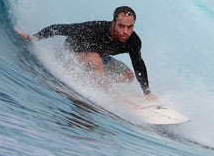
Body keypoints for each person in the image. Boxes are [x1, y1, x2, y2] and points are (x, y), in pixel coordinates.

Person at [16, 6, 159, 102]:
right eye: (121, 26)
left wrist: (147, 92)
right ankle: (110, 94)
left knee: (128, 76)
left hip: (100, 58)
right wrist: (35, 37)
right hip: (70, 56)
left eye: (130, 26)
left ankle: (96, 79)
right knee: (95, 58)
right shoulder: (94, 29)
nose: (125, 31)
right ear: (113, 22)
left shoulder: (133, 40)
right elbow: (61, 28)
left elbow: (138, 63)